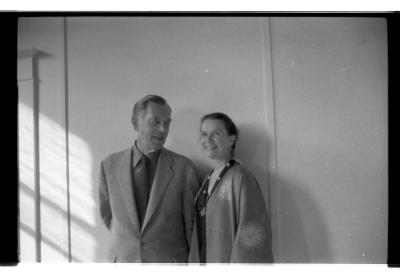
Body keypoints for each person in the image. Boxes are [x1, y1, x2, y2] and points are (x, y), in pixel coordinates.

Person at [99, 95, 200, 263]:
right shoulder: (109, 166)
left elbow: (192, 227)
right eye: (155, 122)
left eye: (167, 123)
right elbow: (108, 215)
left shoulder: (184, 168)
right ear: (135, 123)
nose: (162, 130)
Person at [189, 112, 273, 263]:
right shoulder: (208, 178)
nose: (207, 139)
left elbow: (252, 231)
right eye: (204, 133)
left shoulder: (240, 177)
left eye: (216, 133)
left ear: (231, 139)